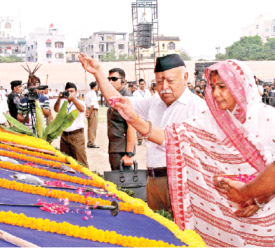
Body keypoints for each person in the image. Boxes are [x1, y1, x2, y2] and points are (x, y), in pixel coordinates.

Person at [110, 59, 275, 247]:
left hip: (263, 218)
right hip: (221, 215)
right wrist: (135, 119)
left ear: (240, 86)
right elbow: (170, 137)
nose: (216, 93)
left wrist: (260, 195)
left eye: (223, 87)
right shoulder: (210, 120)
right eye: (213, 87)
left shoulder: (268, 119)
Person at [79, 53, 207, 212]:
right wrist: (98, 72)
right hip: (153, 180)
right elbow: (118, 101)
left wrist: (136, 120)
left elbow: (170, 139)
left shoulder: (198, 107)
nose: (164, 87)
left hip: (181, 182)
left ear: (185, 77)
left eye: (170, 81)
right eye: (159, 81)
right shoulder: (156, 101)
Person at [105, 68, 135, 170]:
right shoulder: (115, 97)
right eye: (108, 79)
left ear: (123, 81)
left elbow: (132, 127)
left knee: (123, 182)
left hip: (122, 149)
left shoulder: (127, 98)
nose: (110, 82)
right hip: (114, 147)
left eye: (114, 79)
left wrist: (129, 154)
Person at [54, 82, 88, 167]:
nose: (69, 93)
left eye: (71, 91)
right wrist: (59, 99)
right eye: (67, 91)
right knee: (65, 161)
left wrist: (73, 99)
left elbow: (81, 109)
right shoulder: (63, 102)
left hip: (76, 135)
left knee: (80, 161)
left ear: (76, 92)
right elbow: (56, 109)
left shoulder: (80, 102)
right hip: (64, 135)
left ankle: (86, 179)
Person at [84, 81, 99, 148]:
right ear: (95, 86)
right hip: (92, 111)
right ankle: (91, 142)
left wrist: (87, 112)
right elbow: (92, 105)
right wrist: (89, 113)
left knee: (90, 127)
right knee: (93, 127)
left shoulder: (87, 93)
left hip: (88, 109)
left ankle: (90, 141)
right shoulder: (93, 94)